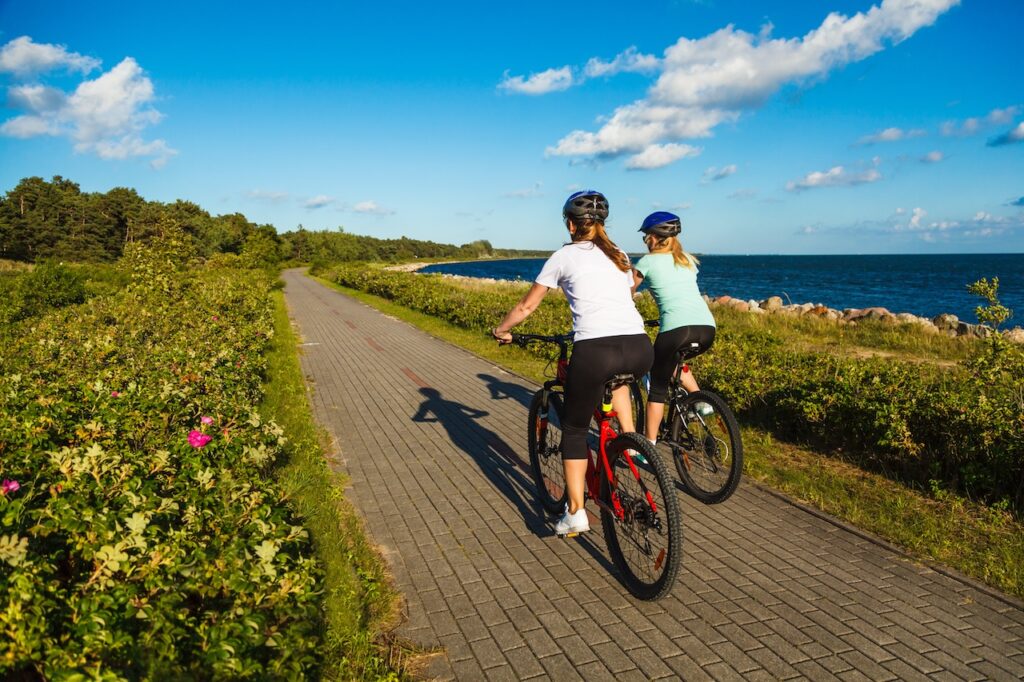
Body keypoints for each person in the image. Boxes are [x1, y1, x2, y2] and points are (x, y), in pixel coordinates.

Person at [493, 191, 653, 536]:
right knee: (620, 383)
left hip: (596, 350)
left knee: (575, 430)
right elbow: (619, 298)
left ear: (570, 224)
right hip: (640, 347)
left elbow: (526, 307)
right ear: (601, 224)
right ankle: (629, 442)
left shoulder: (563, 257)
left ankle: (576, 511)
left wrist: (502, 330)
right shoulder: (620, 255)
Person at [632, 211, 716, 445]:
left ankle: (649, 447)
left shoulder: (647, 262)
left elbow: (626, 291)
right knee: (675, 362)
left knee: (657, 390)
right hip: (707, 328)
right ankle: (701, 402)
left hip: (676, 330)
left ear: (656, 237)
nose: (646, 241)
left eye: (646, 236)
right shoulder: (687, 259)